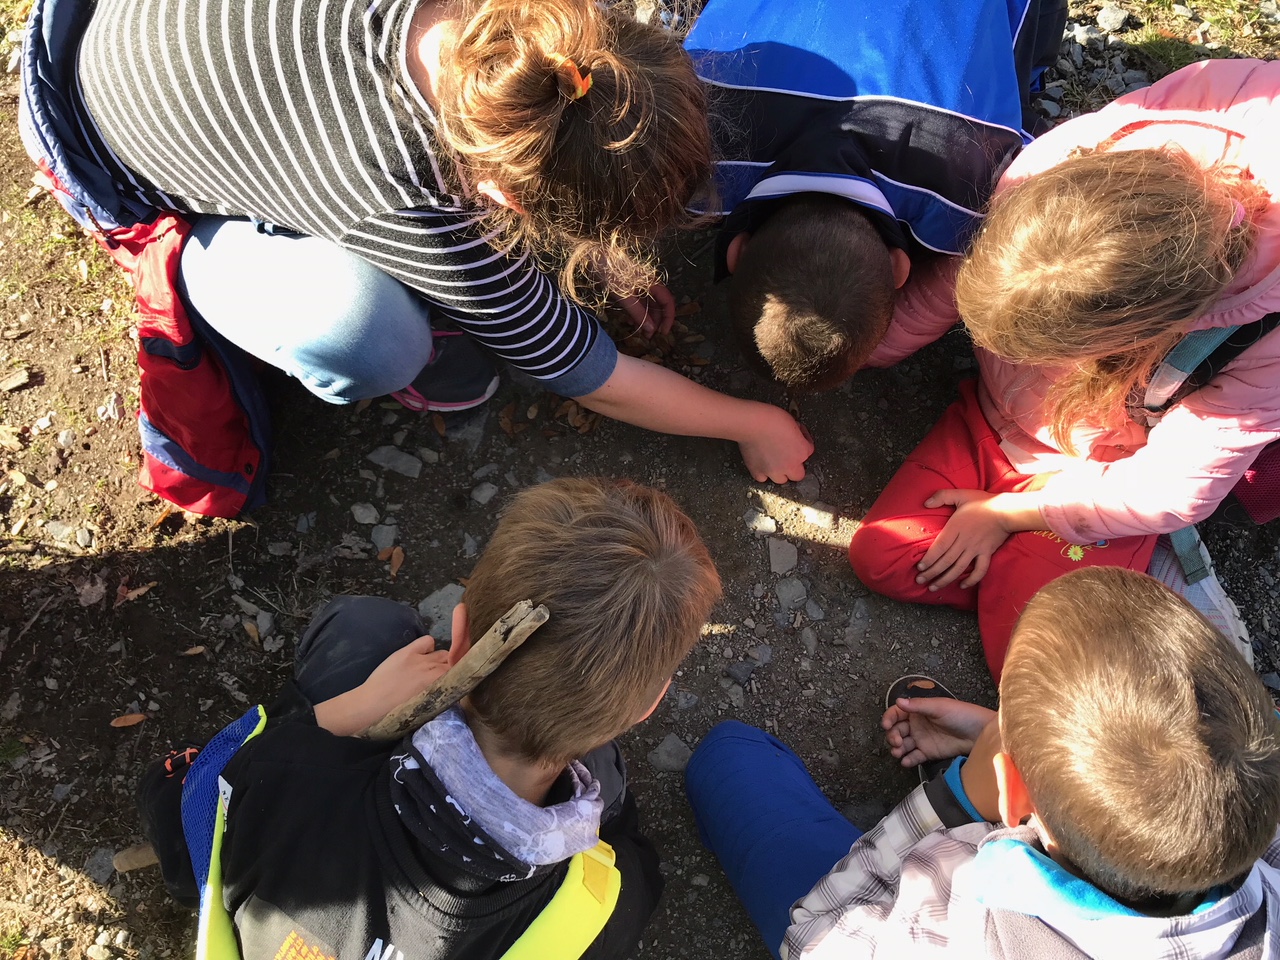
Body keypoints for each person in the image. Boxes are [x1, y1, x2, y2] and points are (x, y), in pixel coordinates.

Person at [70, 0, 813, 483]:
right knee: (366, 334)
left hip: (126, 19)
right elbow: (590, 373)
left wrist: (601, 252)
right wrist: (750, 422)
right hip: (99, 135)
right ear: (500, 197)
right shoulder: (414, 197)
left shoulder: (539, 34)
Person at [136, 477, 722, 960]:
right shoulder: (590, 910)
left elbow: (181, 810)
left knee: (364, 628)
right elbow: (641, 876)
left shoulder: (285, 777)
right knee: (603, 775)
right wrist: (614, 827)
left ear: (461, 638)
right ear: (646, 706)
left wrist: (351, 710)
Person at [847, 57, 1280, 676]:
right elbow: (961, 282)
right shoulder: (1058, 166)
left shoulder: (1263, 339)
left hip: (1101, 467)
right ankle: (1081, 583)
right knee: (882, 554)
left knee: (1035, 670)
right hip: (993, 423)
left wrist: (1010, 515)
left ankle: (1134, 578)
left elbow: (1176, 486)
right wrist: (861, 351)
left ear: (1135, 336)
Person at [685, 567, 1280, 959]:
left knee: (728, 757)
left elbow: (813, 932)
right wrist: (1021, 752)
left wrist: (958, 798)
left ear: (1011, 792)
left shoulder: (952, 928)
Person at [683, 0, 1066, 390]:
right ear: (736, 251)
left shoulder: (970, 183)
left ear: (902, 267)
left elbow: (1044, 148)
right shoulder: (695, 144)